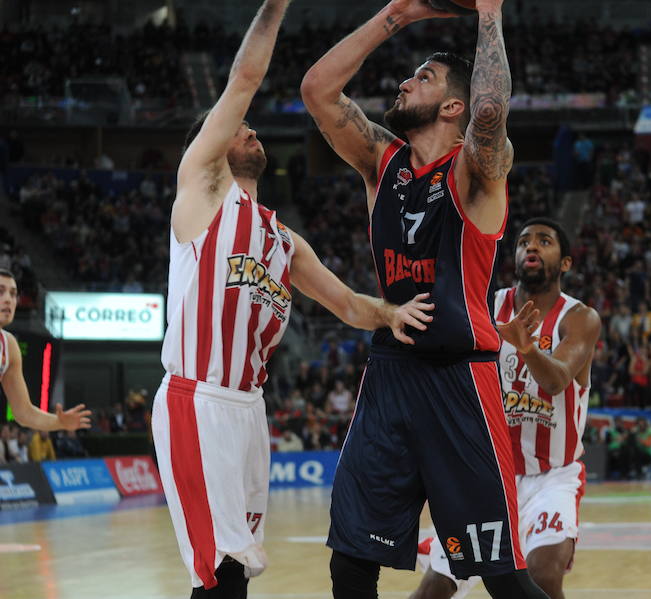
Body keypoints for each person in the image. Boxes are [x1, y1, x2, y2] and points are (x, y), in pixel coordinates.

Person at [151, 3, 433, 596]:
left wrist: (392, 313)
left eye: (251, 129)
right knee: (220, 569)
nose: (250, 131)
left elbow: (350, 305)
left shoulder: (282, 238)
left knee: (240, 567)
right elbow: (245, 79)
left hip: (249, 411)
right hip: (197, 399)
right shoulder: (202, 191)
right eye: (239, 128)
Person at [301, 1, 549, 597]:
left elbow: (490, 109)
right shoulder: (382, 163)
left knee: (503, 579)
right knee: (350, 562)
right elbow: (317, 89)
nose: (405, 80)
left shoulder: (478, 168)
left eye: (425, 77)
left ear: (451, 106)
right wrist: (397, 14)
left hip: (461, 382)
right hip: (390, 376)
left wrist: (488, 13)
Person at [410, 219, 601, 599]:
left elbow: (557, 379)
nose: (531, 247)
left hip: (552, 476)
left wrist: (527, 347)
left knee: (544, 573)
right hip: (486, 476)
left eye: (544, 241)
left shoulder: (579, 318)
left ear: (565, 263)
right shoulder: (485, 307)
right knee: (435, 589)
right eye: (524, 241)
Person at [0, 268, 91, 433]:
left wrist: (60, 422)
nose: (8, 299)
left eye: (13, 294)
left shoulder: (9, 345)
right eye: (0, 292)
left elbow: (24, 413)